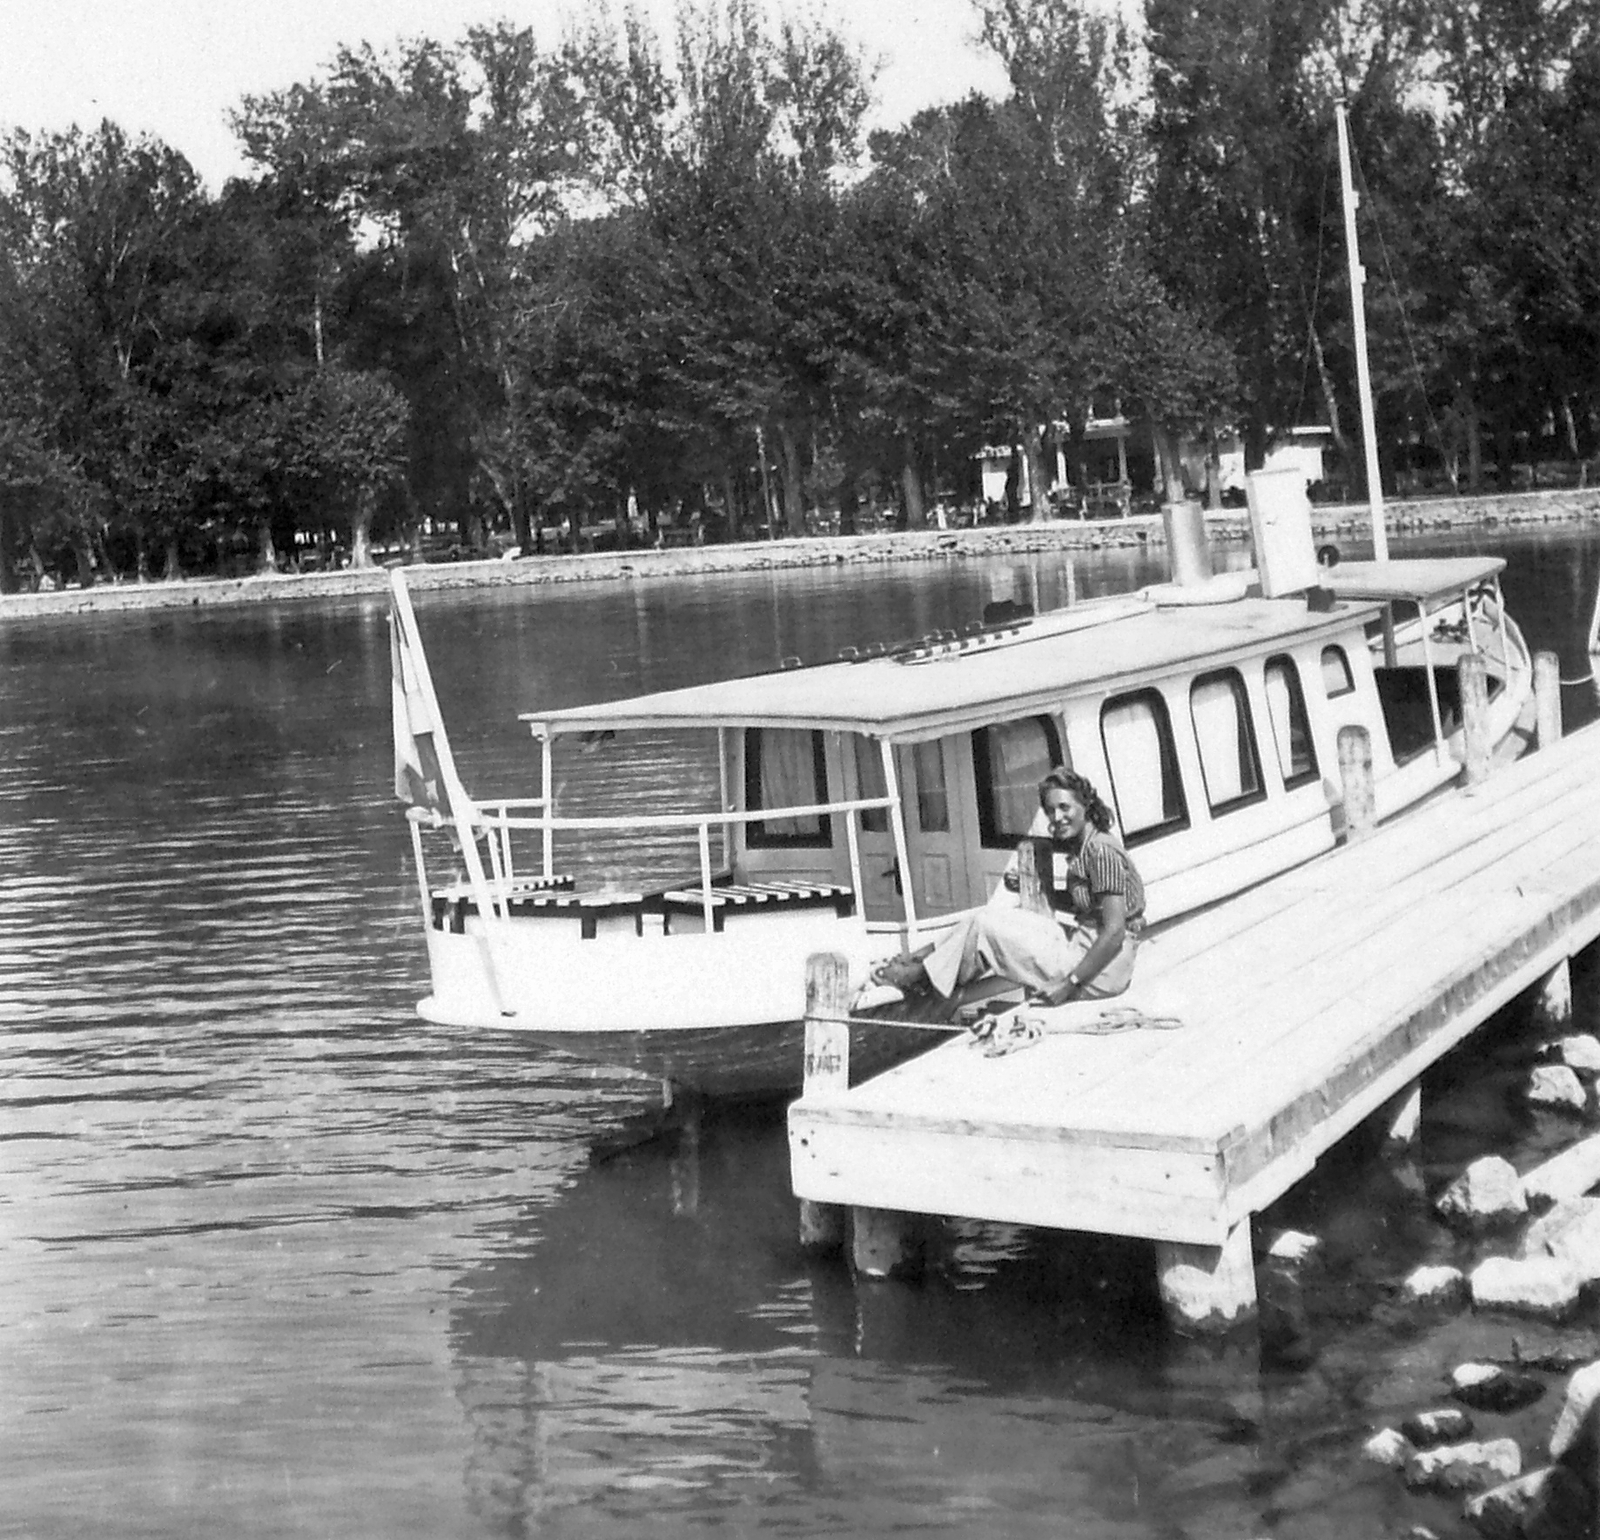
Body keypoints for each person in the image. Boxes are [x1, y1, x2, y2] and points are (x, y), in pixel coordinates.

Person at [869, 768, 1144, 1009]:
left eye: (1064, 807)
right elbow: (1088, 906)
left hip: (1104, 970)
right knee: (988, 915)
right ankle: (918, 961)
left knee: (986, 927)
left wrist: (1069, 985)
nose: (1057, 817)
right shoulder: (1088, 845)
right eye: (1050, 810)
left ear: (1085, 804)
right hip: (1087, 945)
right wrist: (1037, 888)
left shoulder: (1100, 851)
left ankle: (918, 974)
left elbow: (1114, 932)